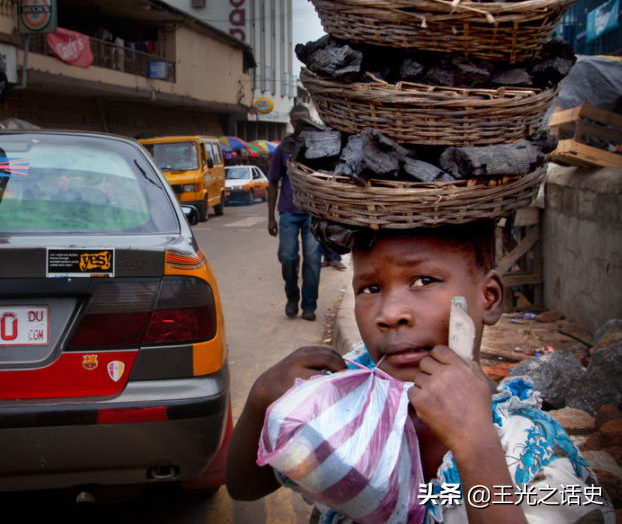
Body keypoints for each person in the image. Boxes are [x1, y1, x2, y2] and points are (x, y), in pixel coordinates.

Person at [226, 221, 615, 524]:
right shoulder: (344, 409)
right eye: (370, 288)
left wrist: (474, 446)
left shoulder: (534, 455)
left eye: (424, 280)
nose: (390, 313)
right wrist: (262, 399)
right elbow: (245, 487)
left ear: (489, 297)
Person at [267, 105, 323, 321]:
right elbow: (273, 182)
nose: (301, 124)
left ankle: (309, 306)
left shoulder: (319, 146)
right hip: (289, 213)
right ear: (291, 122)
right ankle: (292, 297)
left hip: (313, 214)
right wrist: (271, 217)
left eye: (305, 120)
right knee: (287, 257)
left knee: (312, 259)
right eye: (297, 121)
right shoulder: (283, 149)